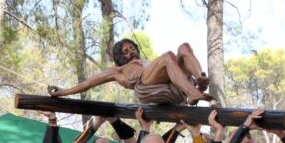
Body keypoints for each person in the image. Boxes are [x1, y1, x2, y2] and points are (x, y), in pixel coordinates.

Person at [48, 39, 212, 106]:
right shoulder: (118, 70)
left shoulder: (149, 62)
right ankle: (194, 93)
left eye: (132, 48)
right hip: (146, 86)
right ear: (120, 57)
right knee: (169, 56)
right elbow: (88, 83)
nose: (131, 52)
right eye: (125, 51)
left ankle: (199, 80)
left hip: (173, 85)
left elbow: (171, 65)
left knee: (184, 48)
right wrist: (63, 92)